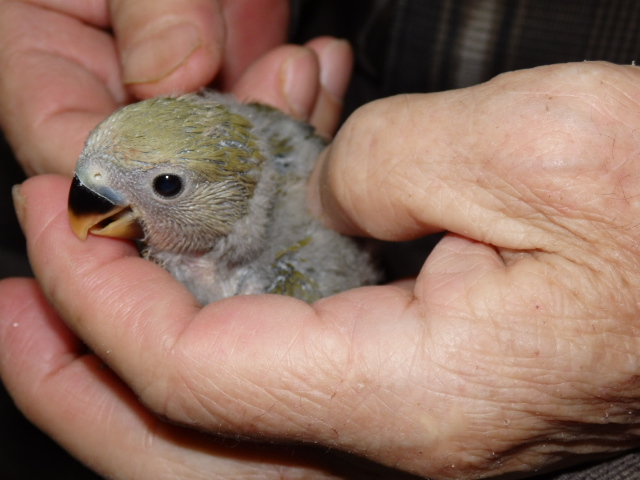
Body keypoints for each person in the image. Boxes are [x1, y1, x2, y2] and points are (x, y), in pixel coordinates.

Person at [1, 1, 640, 478]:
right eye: (94, 173)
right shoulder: (202, 185)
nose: (89, 202)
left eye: (165, 185)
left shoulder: (301, 276)